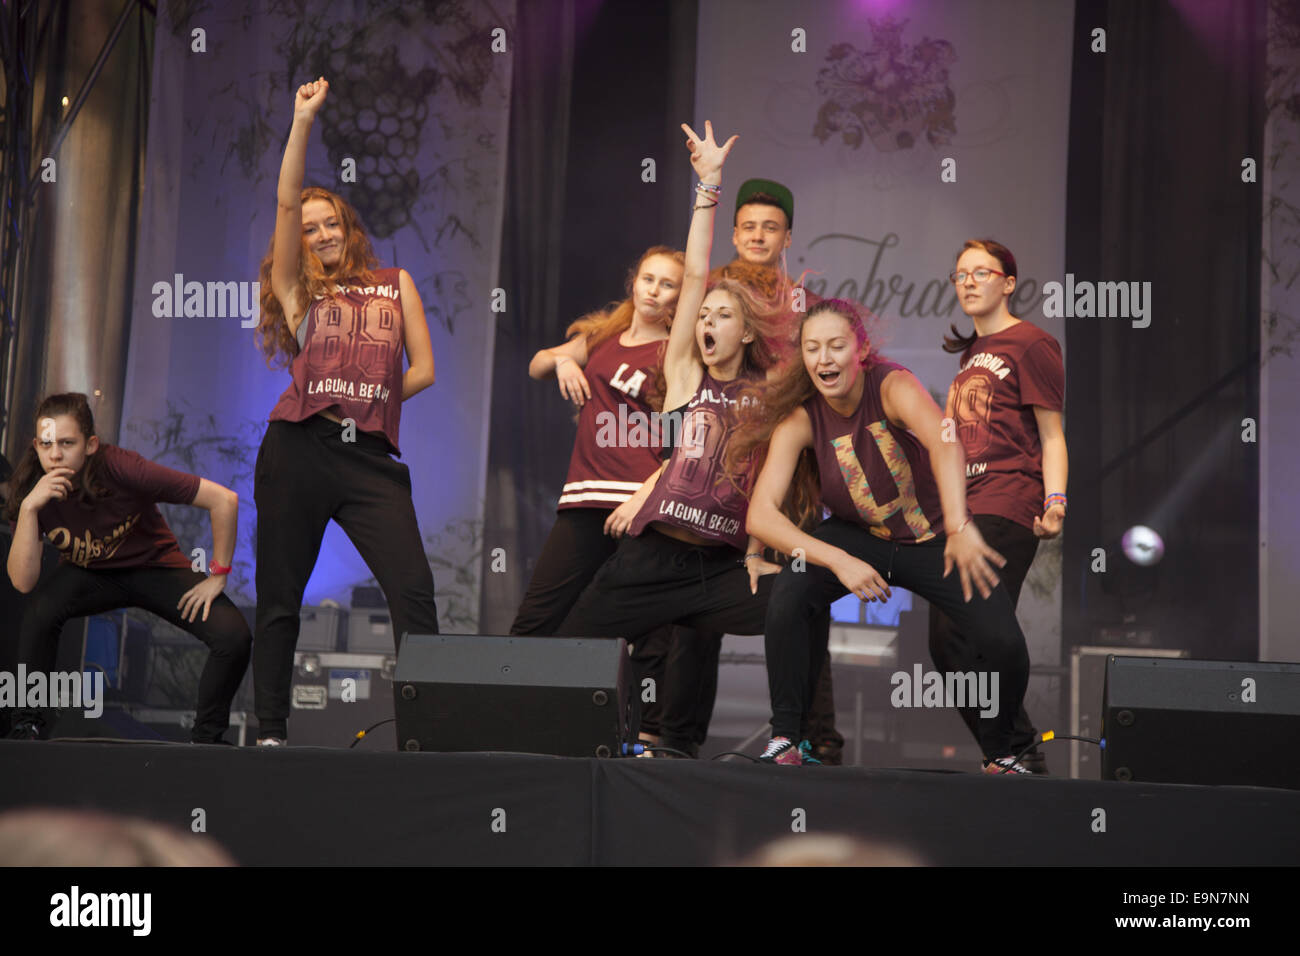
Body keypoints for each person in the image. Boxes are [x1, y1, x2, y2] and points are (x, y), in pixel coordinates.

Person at [558, 123, 790, 737]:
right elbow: (693, 279)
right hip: (655, 555)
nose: (706, 321)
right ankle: (589, 745)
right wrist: (708, 185)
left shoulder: (768, 398)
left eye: (723, 317)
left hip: (724, 568)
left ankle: (793, 740)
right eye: (703, 316)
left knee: (802, 600)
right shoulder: (685, 375)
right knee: (575, 649)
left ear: (746, 333)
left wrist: (766, 553)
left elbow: (769, 479)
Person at [741, 299, 1034, 771]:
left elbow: (944, 441)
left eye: (837, 346)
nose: (824, 359)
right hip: (859, 537)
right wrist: (838, 560)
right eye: (813, 349)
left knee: (1004, 644)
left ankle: (1001, 752)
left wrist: (959, 526)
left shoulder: (893, 384)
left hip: (934, 539)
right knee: (790, 594)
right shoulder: (802, 418)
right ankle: (787, 738)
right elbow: (761, 515)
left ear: (862, 350)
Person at [252, 77, 439, 746]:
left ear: (348, 228)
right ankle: (270, 730)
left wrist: (371, 405)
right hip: (298, 447)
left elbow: (423, 370)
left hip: (367, 458)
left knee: (414, 594)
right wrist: (302, 121)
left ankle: (427, 733)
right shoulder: (295, 290)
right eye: (309, 228)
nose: (323, 232)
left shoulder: (396, 285)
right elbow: (283, 199)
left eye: (331, 221)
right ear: (297, 242)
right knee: (280, 596)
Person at [510, 245, 720, 752]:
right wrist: (563, 362)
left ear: (679, 296)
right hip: (584, 499)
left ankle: (641, 740)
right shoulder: (603, 337)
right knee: (538, 618)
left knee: (646, 632)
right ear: (633, 282)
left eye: (668, 284)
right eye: (648, 279)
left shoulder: (678, 352)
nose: (654, 290)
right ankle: (514, 717)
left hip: (642, 503)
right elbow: (537, 362)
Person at [4, 393, 250, 743]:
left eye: (67, 443)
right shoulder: (32, 488)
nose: (55, 454)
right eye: (46, 445)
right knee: (39, 612)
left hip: (153, 566)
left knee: (234, 636)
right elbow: (23, 582)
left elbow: (224, 500)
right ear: (36, 445)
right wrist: (29, 510)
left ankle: (206, 740)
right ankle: (27, 724)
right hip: (90, 574)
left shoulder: (122, 467)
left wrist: (218, 575)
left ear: (90, 445)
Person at [930, 238, 1066, 773]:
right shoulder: (969, 356)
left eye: (981, 272)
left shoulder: (1032, 343)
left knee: (968, 628)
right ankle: (1014, 752)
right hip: (967, 506)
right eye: (960, 273)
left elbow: (1052, 436)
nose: (968, 281)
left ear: (1008, 283)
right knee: (949, 643)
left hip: (1009, 500)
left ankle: (1012, 751)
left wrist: (1055, 499)